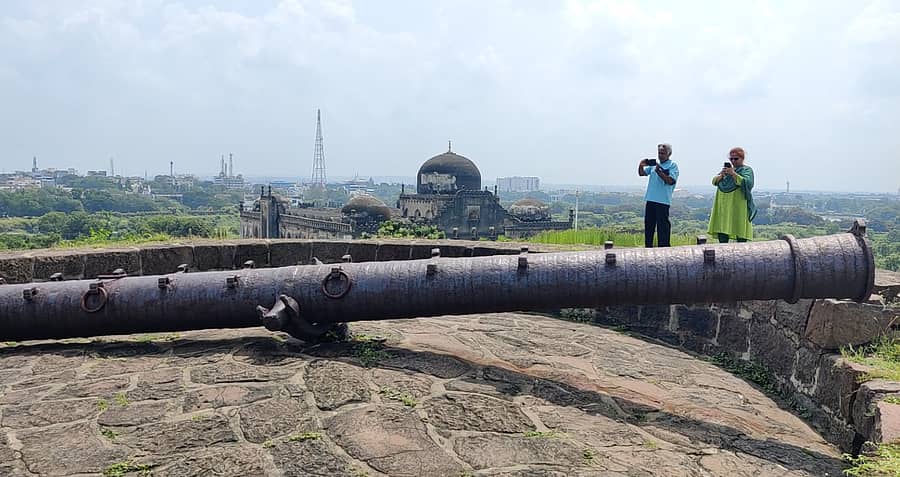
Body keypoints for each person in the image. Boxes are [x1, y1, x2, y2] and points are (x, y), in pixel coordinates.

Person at [708, 147, 756, 243]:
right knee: (722, 226)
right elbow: (714, 181)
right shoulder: (727, 171)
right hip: (723, 204)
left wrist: (734, 174)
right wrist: (722, 175)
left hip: (738, 204)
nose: (733, 161)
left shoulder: (747, 170)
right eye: (731, 159)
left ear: (742, 158)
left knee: (739, 226)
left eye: (736, 159)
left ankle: (742, 250)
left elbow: (748, 183)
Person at [638, 143, 679, 247]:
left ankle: (664, 248)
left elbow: (671, 181)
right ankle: (648, 247)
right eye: (659, 153)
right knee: (649, 226)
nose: (660, 155)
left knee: (663, 227)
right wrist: (641, 165)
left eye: (663, 153)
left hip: (663, 201)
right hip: (651, 199)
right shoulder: (653, 165)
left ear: (669, 154)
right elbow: (642, 173)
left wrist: (659, 172)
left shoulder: (672, 165)